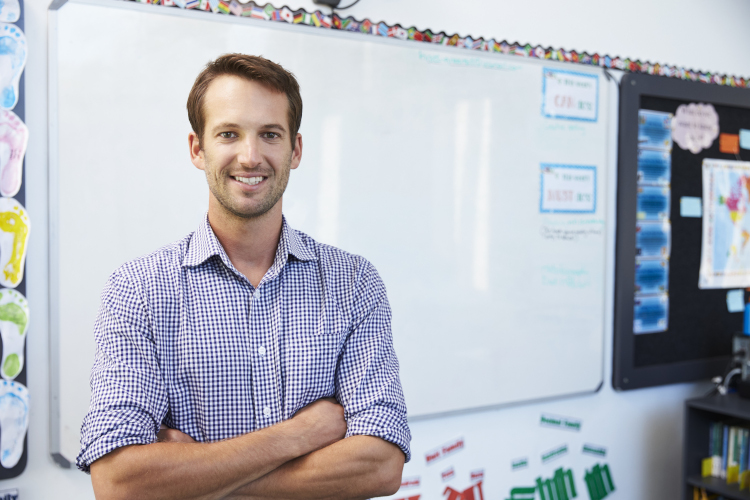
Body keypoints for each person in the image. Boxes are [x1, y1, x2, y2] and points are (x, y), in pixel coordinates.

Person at [77, 53, 410, 500]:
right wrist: (298, 435)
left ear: (295, 150)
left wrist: (202, 478)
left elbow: (382, 466)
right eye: (229, 134)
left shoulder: (353, 283)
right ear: (199, 149)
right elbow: (118, 482)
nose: (250, 157)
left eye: (270, 134)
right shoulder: (138, 289)